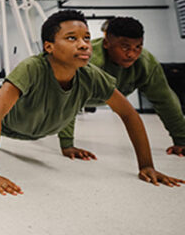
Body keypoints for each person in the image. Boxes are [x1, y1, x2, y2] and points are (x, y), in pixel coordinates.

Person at [0, 10, 183, 195]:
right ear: (49, 47)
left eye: (87, 38)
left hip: (45, 127)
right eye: (72, 38)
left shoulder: (90, 75)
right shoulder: (32, 68)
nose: (83, 45)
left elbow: (128, 114)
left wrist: (147, 166)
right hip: (10, 122)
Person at [57, 16, 185, 158]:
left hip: (94, 97)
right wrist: (67, 144)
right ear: (106, 43)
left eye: (138, 47)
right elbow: (66, 99)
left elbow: (165, 101)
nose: (131, 54)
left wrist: (181, 140)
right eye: (124, 47)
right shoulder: (87, 60)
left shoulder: (146, 64)